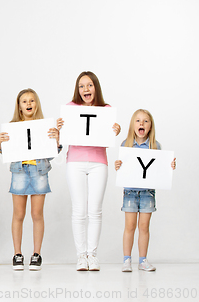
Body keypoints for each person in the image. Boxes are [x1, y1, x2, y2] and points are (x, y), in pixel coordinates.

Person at [57, 71, 121, 271]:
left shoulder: (106, 109)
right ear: (78, 90)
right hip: (75, 162)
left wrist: (114, 131)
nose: (86, 89)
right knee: (79, 211)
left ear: (96, 87)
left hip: (98, 162)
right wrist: (59, 129)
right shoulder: (70, 109)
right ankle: (81, 256)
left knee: (95, 210)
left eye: (90, 85)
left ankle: (92, 254)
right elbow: (61, 139)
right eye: (82, 86)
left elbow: (107, 141)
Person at [0, 89, 61, 271]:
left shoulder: (45, 126)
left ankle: (36, 254)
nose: (28, 104)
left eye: (32, 100)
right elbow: (6, 153)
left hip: (39, 170)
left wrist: (56, 141)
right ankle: (17, 254)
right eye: (24, 101)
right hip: (19, 171)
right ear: (19, 106)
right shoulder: (12, 127)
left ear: (36, 104)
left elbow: (52, 154)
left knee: (37, 214)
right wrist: (0, 144)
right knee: (18, 214)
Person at [115, 109, 176, 272]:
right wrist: (118, 166)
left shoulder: (155, 146)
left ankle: (143, 260)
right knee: (129, 226)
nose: (141, 123)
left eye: (145, 121)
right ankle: (126, 260)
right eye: (138, 121)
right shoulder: (125, 144)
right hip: (130, 192)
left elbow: (160, 169)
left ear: (150, 127)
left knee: (144, 226)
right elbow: (122, 167)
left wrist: (169, 167)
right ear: (133, 125)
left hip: (148, 192)